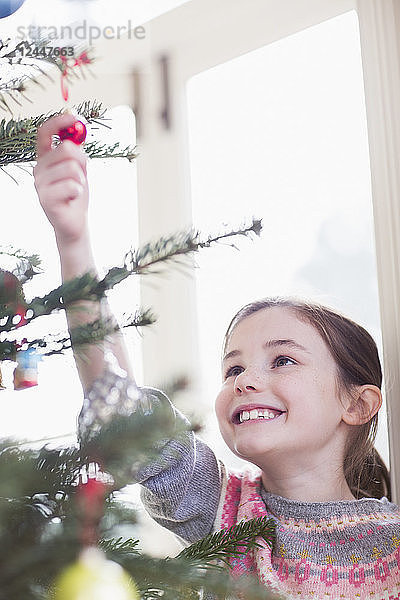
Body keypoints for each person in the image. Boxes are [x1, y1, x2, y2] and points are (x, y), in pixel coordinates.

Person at [35, 115, 400, 600]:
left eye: (283, 360)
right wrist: (72, 240)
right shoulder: (224, 510)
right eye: (234, 368)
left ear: (356, 405)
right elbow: (124, 409)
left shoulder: (392, 540)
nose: (245, 381)